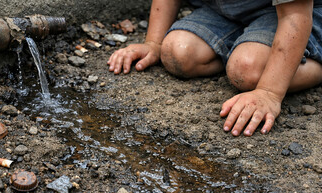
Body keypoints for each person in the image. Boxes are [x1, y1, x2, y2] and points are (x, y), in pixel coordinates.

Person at [107, 0, 322, 136]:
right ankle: (246, 45)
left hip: (293, 13)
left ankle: (311, 63)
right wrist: (153, 42)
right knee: (176, 53)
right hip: (226, 11)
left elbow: (296, 16)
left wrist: (269, 92)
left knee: (247, 71)